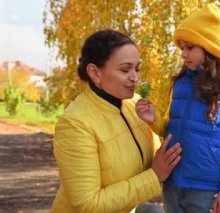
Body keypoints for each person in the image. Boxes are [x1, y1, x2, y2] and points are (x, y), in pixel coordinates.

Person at [136, 3, 220, 213]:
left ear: (210, 48)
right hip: (173, 183)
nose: (183, 54)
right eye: (182, 48)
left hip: (205, 188)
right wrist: (152, 119)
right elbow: (170, 127)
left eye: (190, 47)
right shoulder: (180, 84)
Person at [52, 29, 182, 213]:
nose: (135, 77)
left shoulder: (135, 104)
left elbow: (157, 158)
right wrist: (154, 176)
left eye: (137, 69)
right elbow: (88, 204)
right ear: (95, 73)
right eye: (125, 69)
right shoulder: (75, 123)